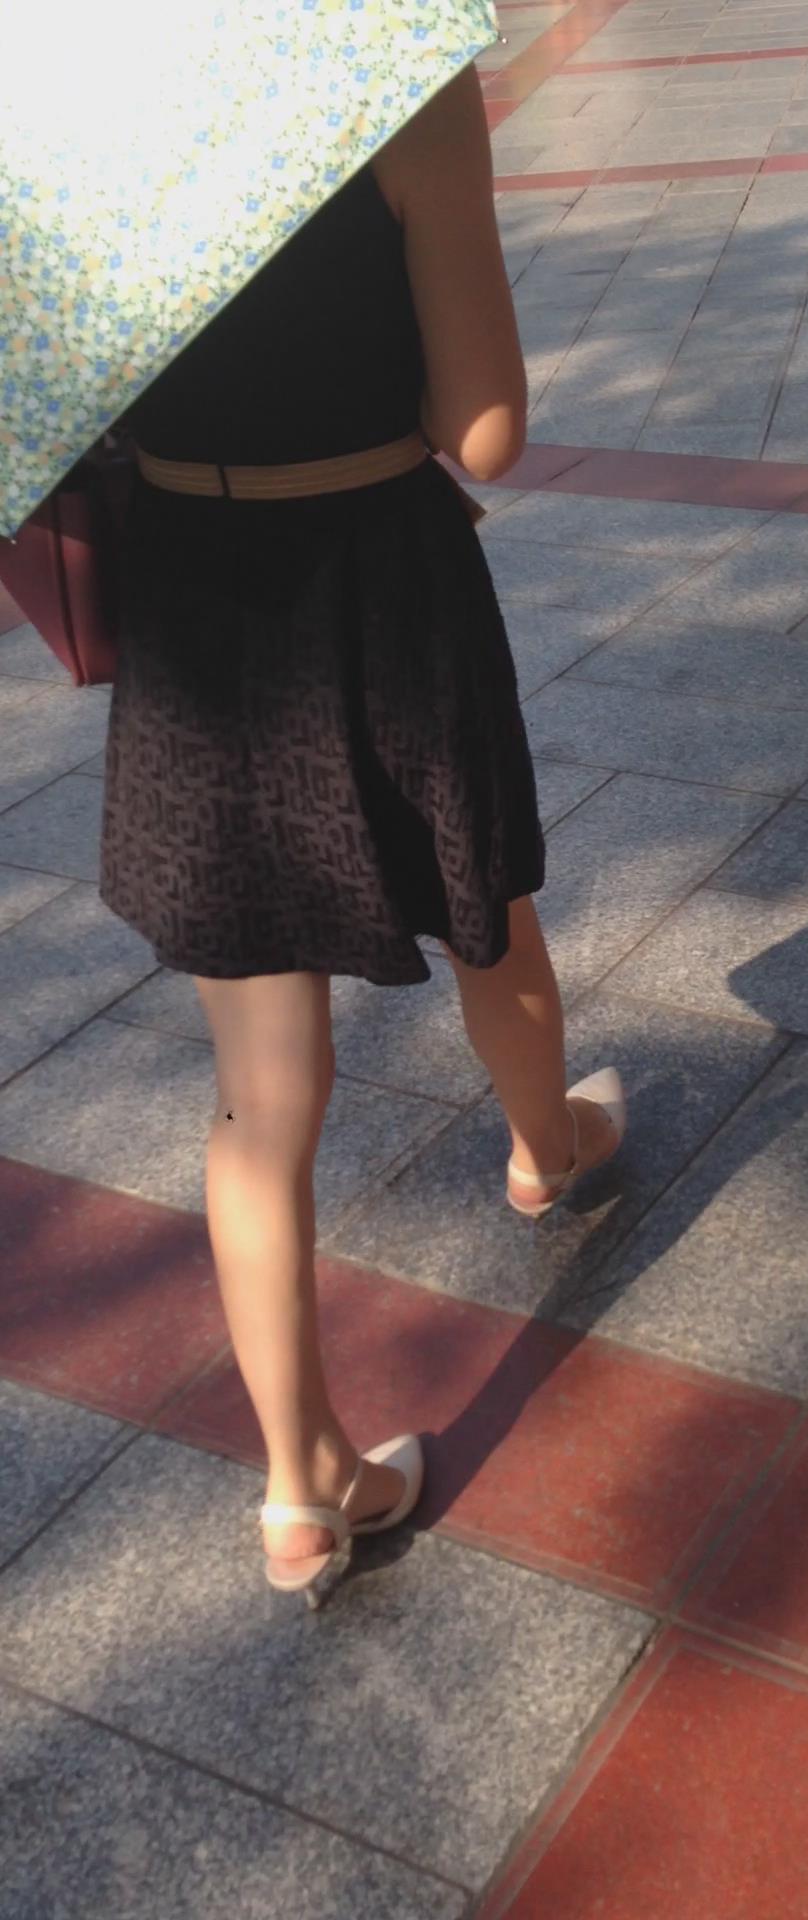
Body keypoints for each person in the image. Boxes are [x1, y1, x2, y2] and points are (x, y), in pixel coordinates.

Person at [102, 66, 626, 1600]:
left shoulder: (97, 101)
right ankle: (546, 1147)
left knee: (259, 1094)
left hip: (192, 600)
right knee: (484, 904)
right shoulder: (388, 88)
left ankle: (301, 1487)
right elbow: (489, 429)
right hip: (383, 579)